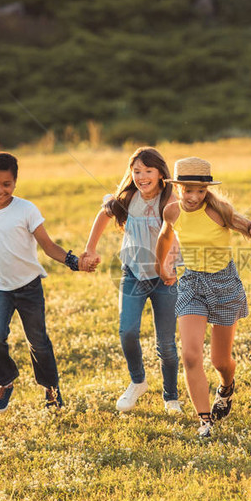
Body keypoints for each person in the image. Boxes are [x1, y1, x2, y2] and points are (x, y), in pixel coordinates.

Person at [0, 152, 92, 414]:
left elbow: (48, 247)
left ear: (15, 182)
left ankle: (51, 388)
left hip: (29, 287)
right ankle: (5, 381)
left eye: (6, 184)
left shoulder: (26, 209)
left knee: (38, 341)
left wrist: (75, 262)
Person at [155, 157, 251, 438]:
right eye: (188, 190)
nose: (194, 197)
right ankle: (205, 421)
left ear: (207, 191)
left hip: (224, 284)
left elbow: (246, 225)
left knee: (220, 361)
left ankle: (227, 387)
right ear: (178, 187)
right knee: (191, 355)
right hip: (192, 282)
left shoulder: (219, 211)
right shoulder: (172, 212)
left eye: (200, 191)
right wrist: (162, 265)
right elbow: (165, 237)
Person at [80, 147, 182, 414]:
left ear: (161, 173)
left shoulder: (170, 199)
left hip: (165, 278)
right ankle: (138, 381)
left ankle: (171, 397)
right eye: (137, 171)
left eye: (148, 171)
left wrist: (170, 266)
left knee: (166, 344)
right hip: (133, 273)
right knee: (127, 331)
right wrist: (90, 249)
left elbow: (178, 233)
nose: (142, 176)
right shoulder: (127, 197)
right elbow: (104, 215)